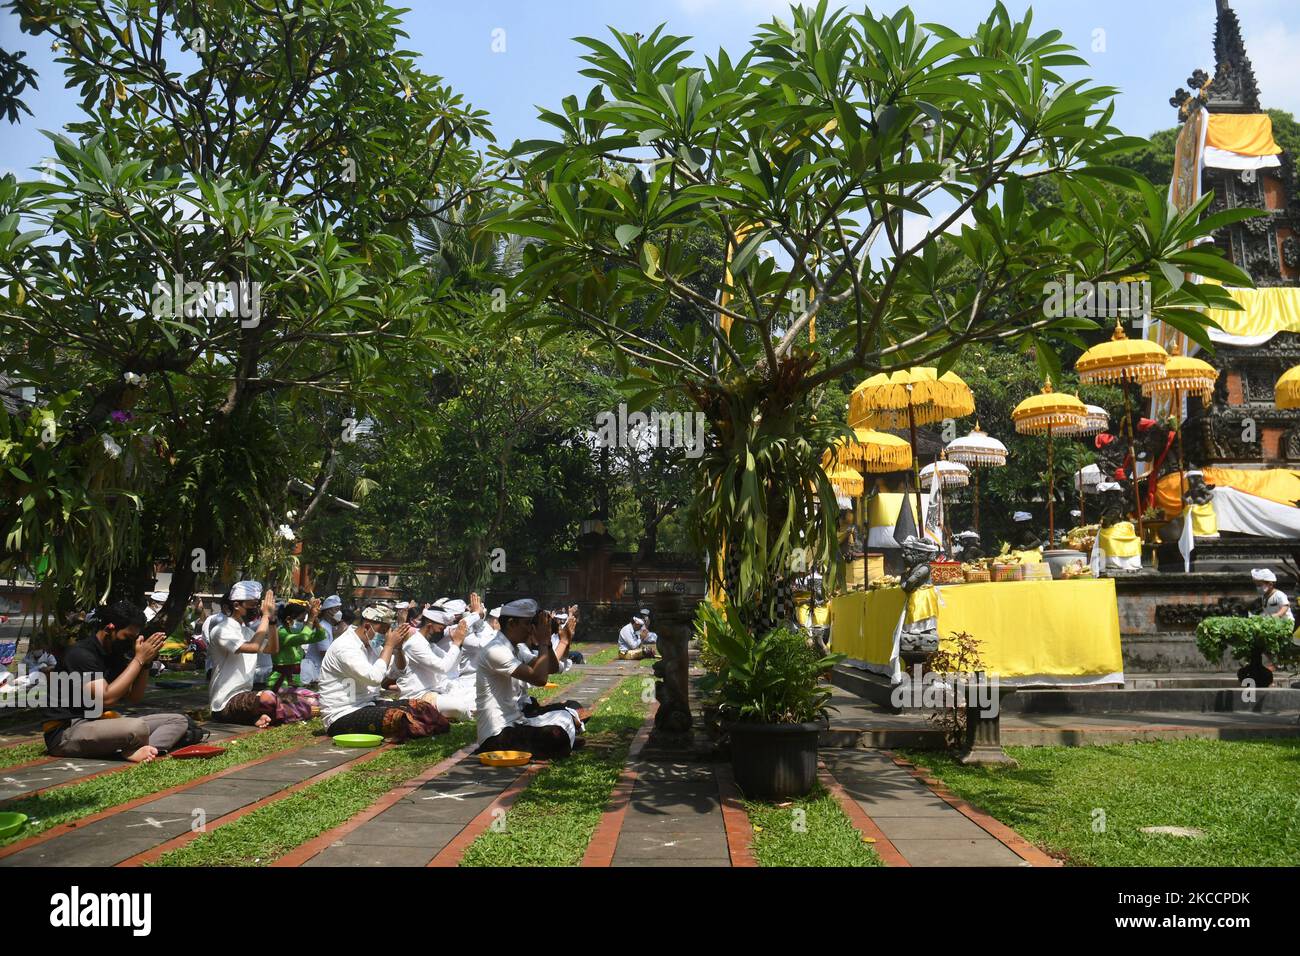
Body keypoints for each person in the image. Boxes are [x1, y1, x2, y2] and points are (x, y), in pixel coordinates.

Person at [44, 600, 190, 762]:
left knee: (178, 720)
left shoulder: (114, 655)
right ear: (110, 628)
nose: (129, 643)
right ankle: (132, 748)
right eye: (127, 637)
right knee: (137, 727)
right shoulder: (81, 654)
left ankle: (145, 750)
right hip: (67, 731)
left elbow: (134, 696)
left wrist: (146, 663)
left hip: (100, 723)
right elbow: (107, 698)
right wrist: (139, 659)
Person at [317, 604, 448, 740]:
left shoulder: (372, 646)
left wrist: (398, 650)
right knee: (398, 718)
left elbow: (398, 672)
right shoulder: (345, 647)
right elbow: (374, 678)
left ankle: (429, 728)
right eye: (383, 630)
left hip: (369, 704)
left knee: (422, 707)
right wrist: (389, 645)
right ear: (367, 627)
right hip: (341, 714)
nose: (386, 635)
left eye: (387, 631)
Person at [476, 599, 585, 759]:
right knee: (556, 735)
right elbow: (540, 679)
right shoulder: (495, 650)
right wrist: (542, 642)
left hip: (517, 722)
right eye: (527, 624)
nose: (531, 630)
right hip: (496, 735)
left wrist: (548, 643)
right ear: (511, 624)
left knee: (567, 713)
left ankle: (564, 740)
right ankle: (564, 740)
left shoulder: (517, 648)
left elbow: (551, 668)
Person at [208, 581, 315, 727]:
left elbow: (273, 649)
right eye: (252, 605)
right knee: (268, 698)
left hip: (245, 696)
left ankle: (258, 716)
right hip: (224, 702)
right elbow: (253, 647)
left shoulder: (247, 631)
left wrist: (272, 621)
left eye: (258, 605)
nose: (256, 609)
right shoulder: (222, 630)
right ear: (237, 605)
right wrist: (265, 617)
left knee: (301, 696)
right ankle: (302, 710)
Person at [393, 606, 474, 720]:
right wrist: (456, 642)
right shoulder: (415, 644)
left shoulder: (428, 644)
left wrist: (457, 643)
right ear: (429, 626)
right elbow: (443, 668)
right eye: (441, 629)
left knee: (473, 693)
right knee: (459, 707)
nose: (443, 632)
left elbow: (452, 665)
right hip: (419, 696)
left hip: (435, 692)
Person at [269, 598, 327, 691]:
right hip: (279, 681)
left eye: (305, 620)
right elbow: (303, 637)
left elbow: (320, 636)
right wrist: (311, 619)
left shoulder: (296, 633)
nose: (304, 623)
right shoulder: (281, 633)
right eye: (301, 620)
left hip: (294, 680)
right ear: (288, 619)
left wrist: (315, 618)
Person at [301, 594, 341, 685]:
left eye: (339, 609)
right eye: (336, 609)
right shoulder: (323, 627)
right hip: (315, 671)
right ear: (328, 611)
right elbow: (325, 654)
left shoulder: (330, 627)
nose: (339, 612)